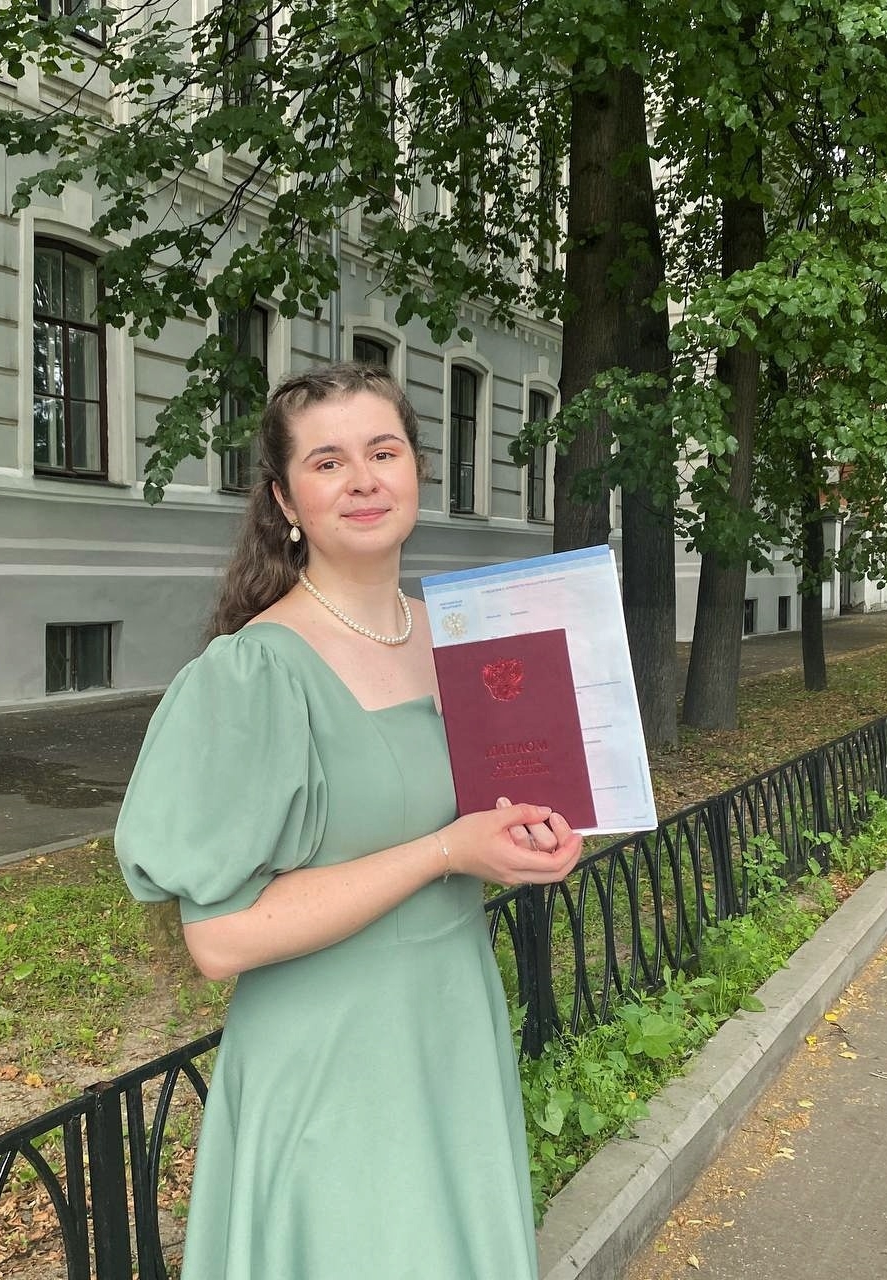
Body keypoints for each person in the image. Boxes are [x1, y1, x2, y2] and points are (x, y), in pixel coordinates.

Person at [114, 362, 582, 1279]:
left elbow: (488, 809)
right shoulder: (254, 672)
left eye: (383, 452)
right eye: (328, 462)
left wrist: (532, 837)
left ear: (417, 472)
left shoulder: (462, 638)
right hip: (331, 1061)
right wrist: (444, 851)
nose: (363, 480)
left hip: (449, 1026)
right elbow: (220, 938)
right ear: (286, 500)